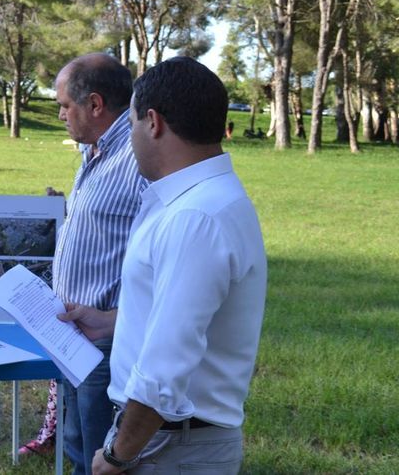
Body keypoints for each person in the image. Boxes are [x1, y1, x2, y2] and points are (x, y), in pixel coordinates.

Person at [60, 57, 267, 474]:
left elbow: (164, 368)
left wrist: (118, 454)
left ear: (152, 122)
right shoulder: (200, 202)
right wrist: (111, 322)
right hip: (166, 439)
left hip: (168, 446)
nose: (131, 136)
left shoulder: (195, 217)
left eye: (132, 123)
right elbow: (184, 317)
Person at [38, 53, 147, 474]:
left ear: (95, 105)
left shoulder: (137, 155)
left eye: (66, 106)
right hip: (72, 332)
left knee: (102, 456)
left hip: (105, 336)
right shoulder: (97, 151)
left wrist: (115, 317)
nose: (61, 115)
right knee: (76, 443)